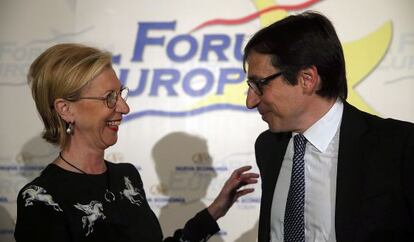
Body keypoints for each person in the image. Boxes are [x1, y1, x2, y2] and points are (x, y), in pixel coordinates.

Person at [14, 43, 259, 242]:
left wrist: (216, 209)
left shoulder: (126, 177)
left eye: (121, 94)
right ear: (66, 110)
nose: (124, 107)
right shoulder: (41, 199)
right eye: (109, 98)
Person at [243, 11, 414, 242]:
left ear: (307, 79)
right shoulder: (268, 147)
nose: (250, 101)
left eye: (259, 84)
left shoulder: (399, 147)